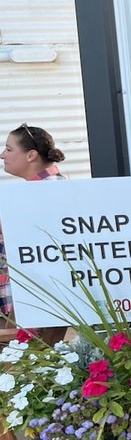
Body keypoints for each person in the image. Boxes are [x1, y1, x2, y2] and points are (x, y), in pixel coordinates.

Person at [1, 124, 68, 323]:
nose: (2, 155)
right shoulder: (44, 187)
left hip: (28, 304)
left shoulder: (45, 191)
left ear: (31, 155)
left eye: (9, 149)